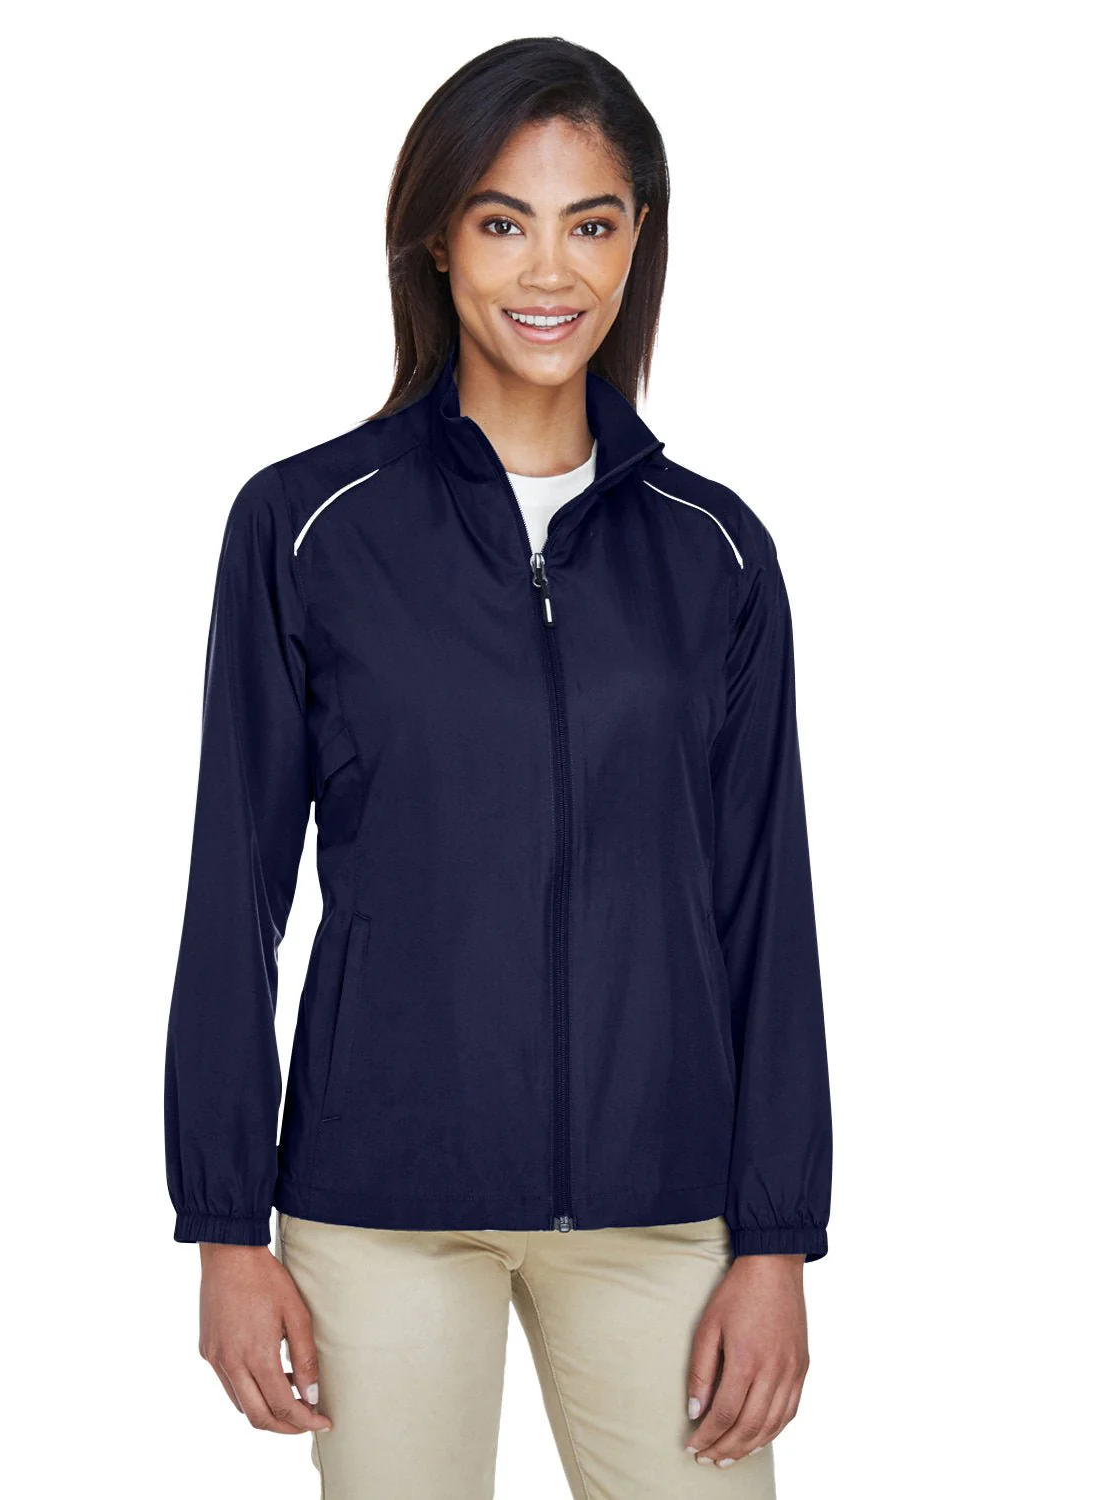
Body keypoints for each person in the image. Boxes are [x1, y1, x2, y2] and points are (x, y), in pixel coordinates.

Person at [164, 35, 832, 1500]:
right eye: (502, 220)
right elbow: (234, 897)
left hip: (664, 1205)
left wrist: (777, 1239)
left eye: (590, 223)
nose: (549, 270)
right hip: (380, 1204)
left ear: (638, 241)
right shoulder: (307, 526)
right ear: (437, 241)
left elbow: (763, 911)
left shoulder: (715, 552)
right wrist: (222, 1225)